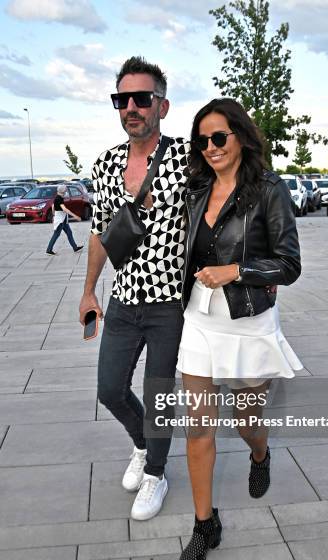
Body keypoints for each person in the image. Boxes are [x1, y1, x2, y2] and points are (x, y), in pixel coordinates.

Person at [175, 98, 303, 560]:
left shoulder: (270, 189)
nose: (210, 147)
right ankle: (204, 524)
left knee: (246, 419)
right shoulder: (195, 189)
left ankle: (259, 451)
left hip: (248, 321)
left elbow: (289, 264)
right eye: (202, 140)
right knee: (198, 428)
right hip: (199, 320)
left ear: (241, 137)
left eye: (219, 137)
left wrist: (237, 270)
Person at [79, 57, 188, 521]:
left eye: (141, 99)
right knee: (110, 389)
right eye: (122, 99)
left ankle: (157, 474)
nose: (131, 108)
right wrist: (89, 292)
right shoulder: (105, 163)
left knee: (159, 393)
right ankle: (144, 447)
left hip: (168, 303)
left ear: (162, 106)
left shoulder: (187, 157)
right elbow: (102, 232)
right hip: (124, 299)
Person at [46, 185, 83, 254]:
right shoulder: (59, 198)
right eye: (65, 190)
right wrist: (75, 216)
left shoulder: (58, 197)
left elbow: (53, 206)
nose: (66, 191)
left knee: (69, 233)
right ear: (63, 191)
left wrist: (54, 215)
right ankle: (49, 250)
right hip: (60, 219)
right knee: (56, 234)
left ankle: (75, 247)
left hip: (63, 218)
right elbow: (64, 209)